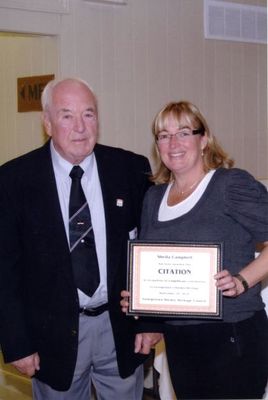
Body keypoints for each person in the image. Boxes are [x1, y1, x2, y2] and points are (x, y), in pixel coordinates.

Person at [0, 77, 161, 400]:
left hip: (120, 328)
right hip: (51, 336)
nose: (80, 127)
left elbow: (151, 249)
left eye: (88, 114)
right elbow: (6, 270)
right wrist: (18, 343)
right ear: (47, 122)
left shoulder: (131, 169)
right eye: (66, 115)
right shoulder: (14, 180)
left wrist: (151, 319)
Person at [121, 101, 268, 399]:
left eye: (184, 132)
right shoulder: (154, 197)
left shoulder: (230, 185)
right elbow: (155, 265)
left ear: (204, 140)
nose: (173, 143)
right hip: (180, 339)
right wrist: (139, 300)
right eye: (163, 135)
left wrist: (242, 280)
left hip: (233, 334)